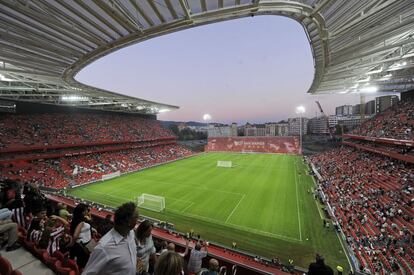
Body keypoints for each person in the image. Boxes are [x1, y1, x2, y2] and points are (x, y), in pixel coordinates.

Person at [82, 202, 139, 275]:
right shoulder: (103, 248)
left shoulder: (131, 234)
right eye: (136, 217)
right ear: (129, 222)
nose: (137, 220)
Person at [69, 203, 93, 268]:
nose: (87, 211)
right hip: (83, 245)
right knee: (82, 262)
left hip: (82, 244)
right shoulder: (81, 221)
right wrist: (73, 244)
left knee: (80, 262)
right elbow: (75, 236)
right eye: (85, 210)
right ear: (82, 212)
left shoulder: (76, 219)